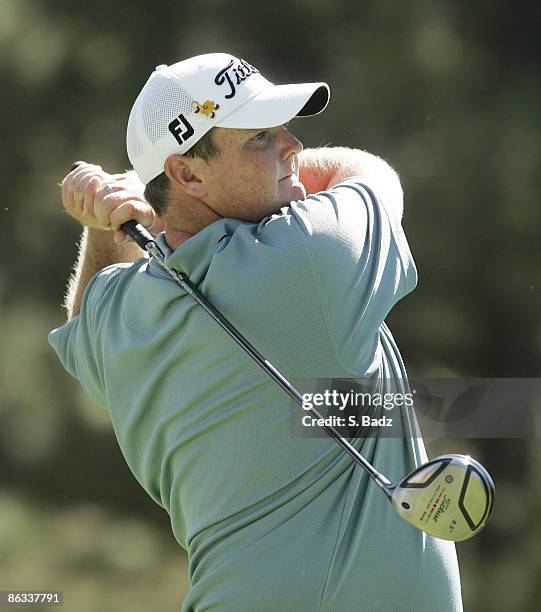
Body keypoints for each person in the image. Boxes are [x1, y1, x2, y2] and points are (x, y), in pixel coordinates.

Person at [50, 53, 463, 611]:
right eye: (261, 138)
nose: (292, 145)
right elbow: (371, 174)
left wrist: (104, 231)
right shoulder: (310, 255)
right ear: (188, 174)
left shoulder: (122, 313)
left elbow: (85, 333)